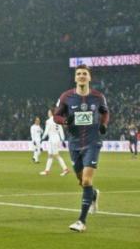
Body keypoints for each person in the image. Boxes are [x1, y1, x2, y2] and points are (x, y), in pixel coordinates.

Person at [53, 64, 109, 233]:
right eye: (79, 74)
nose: (82, 76)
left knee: (86, 180)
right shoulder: (66, 97)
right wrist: (64, 121)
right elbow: (56, 115)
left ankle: (81, 221)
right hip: (74, 143)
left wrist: (103, 125)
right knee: (81, 181)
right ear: (75, 77)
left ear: (89, 77)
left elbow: (105, 112)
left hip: (93, 142)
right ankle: (93, 195)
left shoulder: (98, 97)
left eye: (85, 73)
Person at [39, 109, 70, 176]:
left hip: (52, 139)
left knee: (56, 155)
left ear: (51, 113)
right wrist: (63, 140)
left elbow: (46, 131)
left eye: (49, 112)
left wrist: (42, 138)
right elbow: (61, 131)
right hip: (56, 138)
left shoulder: (48, 121)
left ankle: (65, 169)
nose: (48, 113)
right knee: (50, 155)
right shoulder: (58, 120)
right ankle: (47, 170)